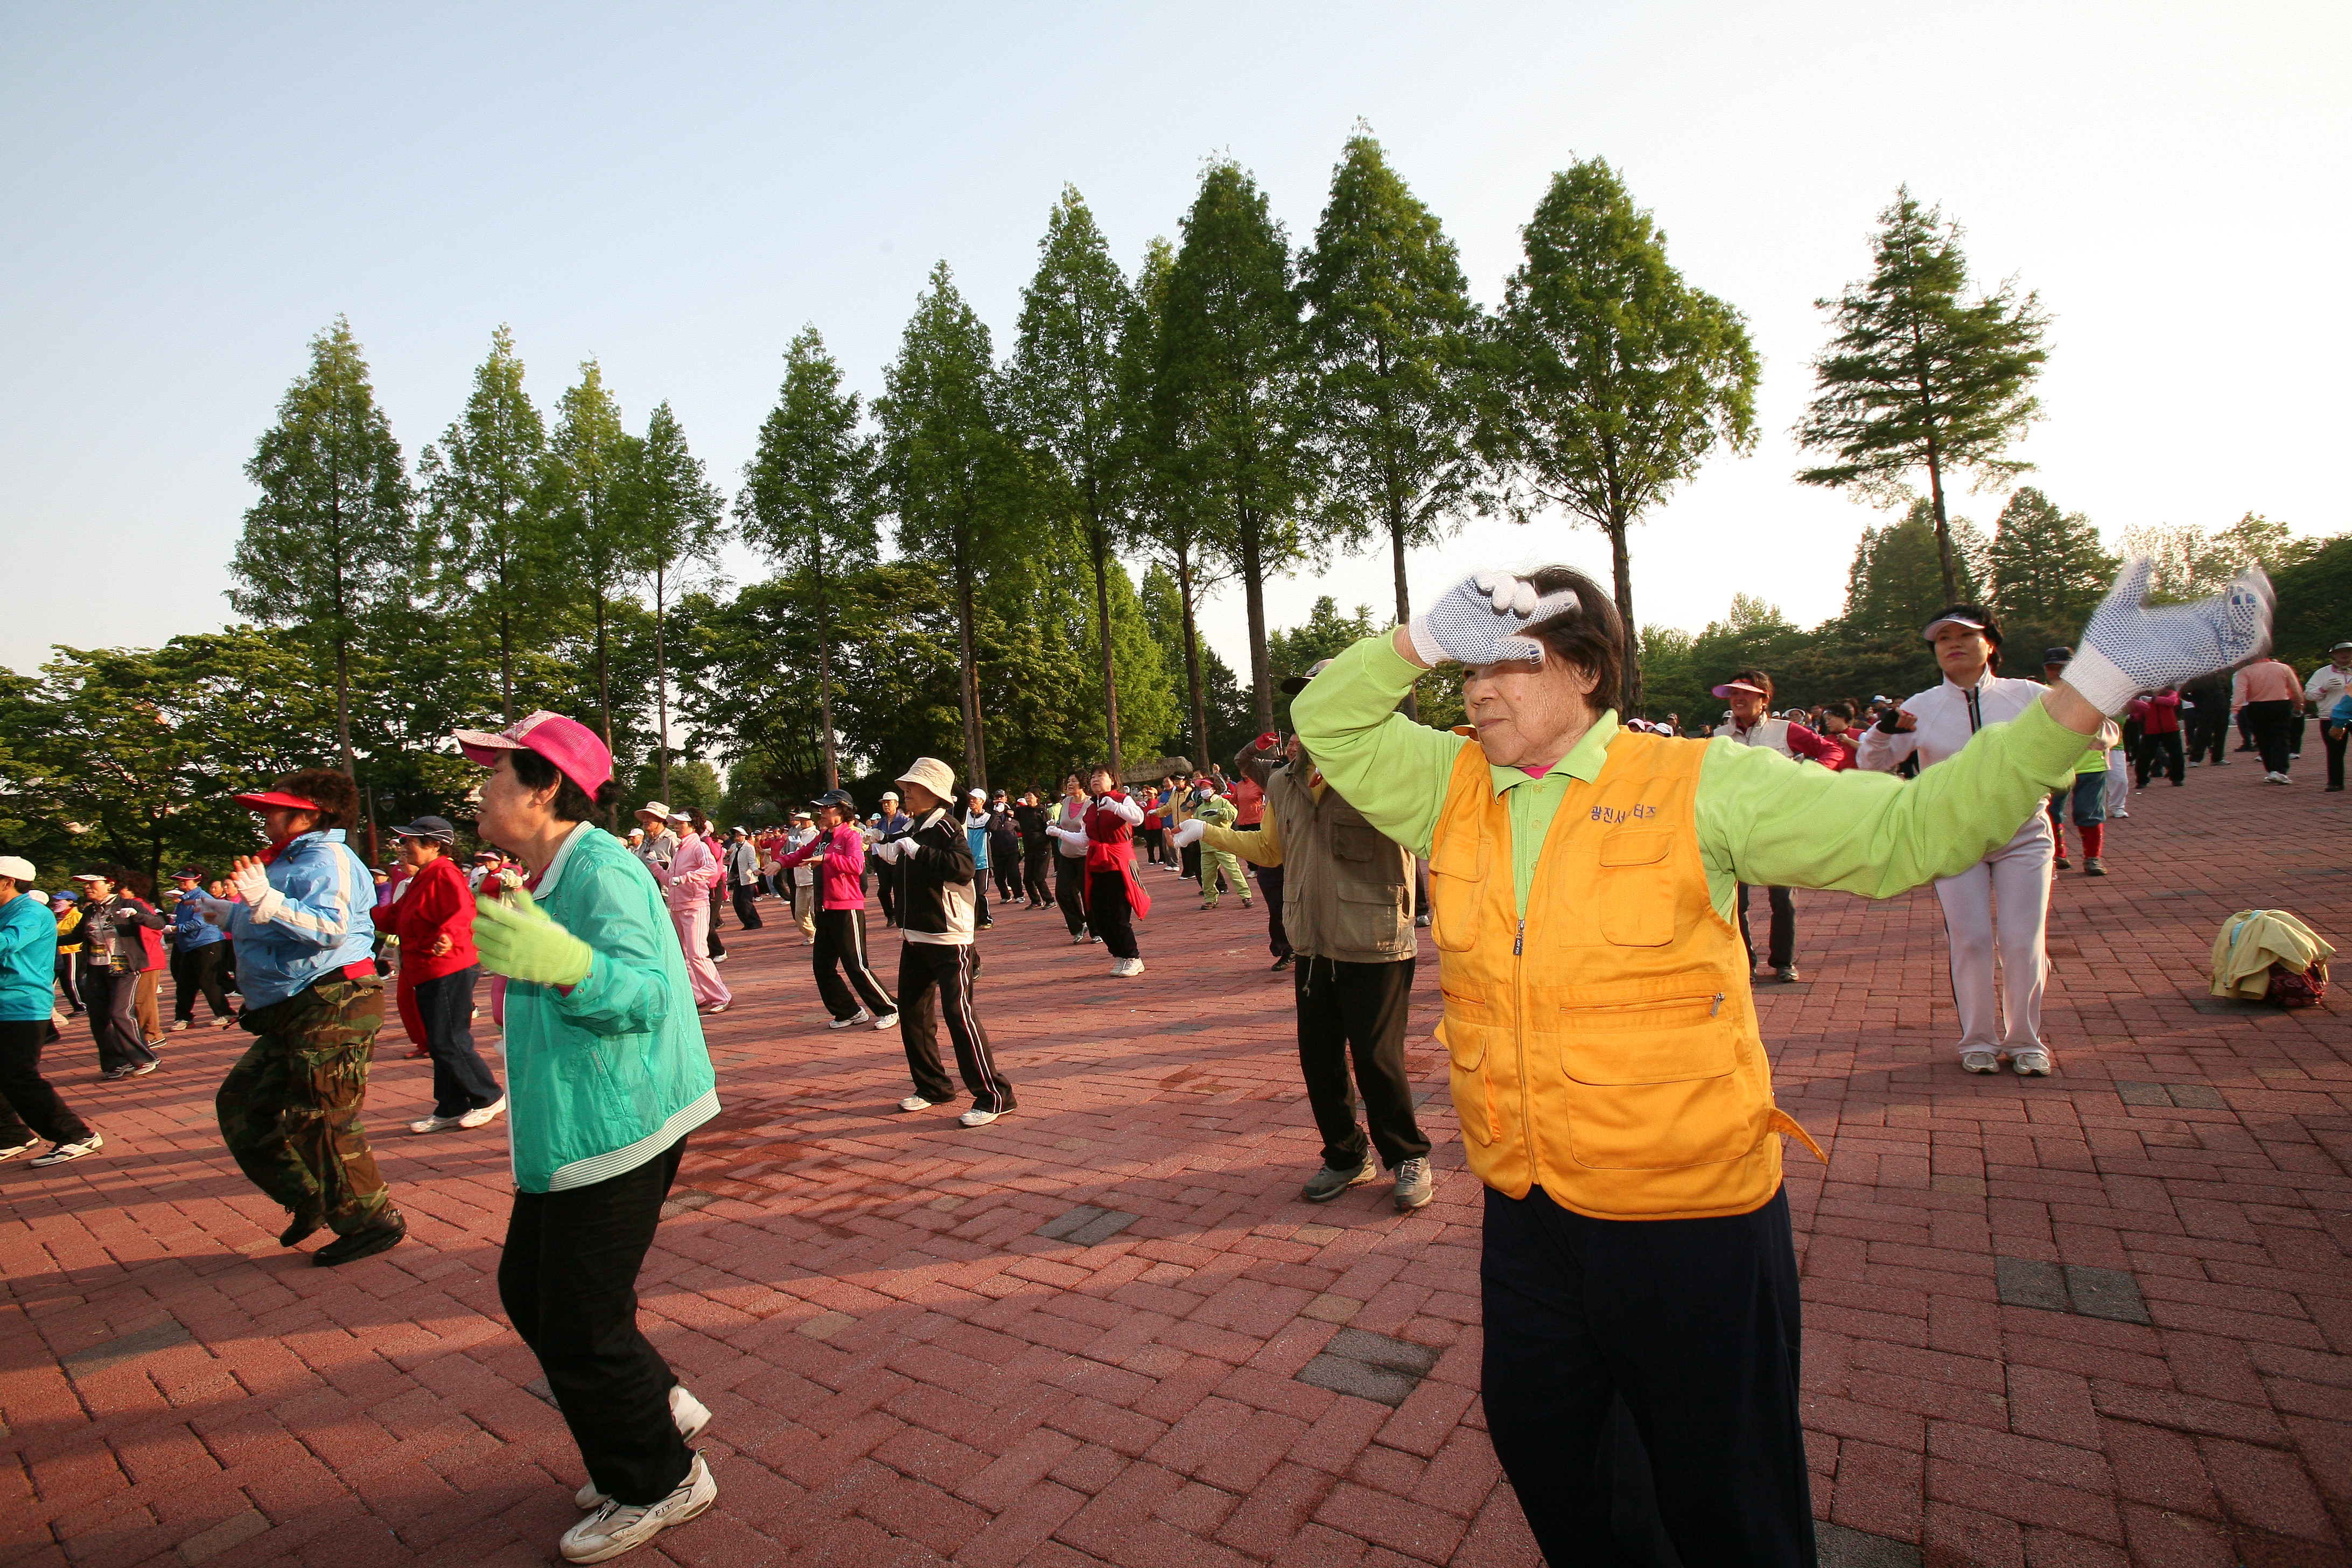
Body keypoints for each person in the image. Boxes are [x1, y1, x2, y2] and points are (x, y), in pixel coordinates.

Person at [1292, 558, 2269, 1568]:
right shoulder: (1449, 787)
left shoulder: (1696, 782)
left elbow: (1911, 828)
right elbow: (1328, 719)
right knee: (1551, 1454)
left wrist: (2093, 688)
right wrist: (1414, 642)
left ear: (1587, 672)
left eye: (1508, 663)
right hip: (1527, 1212)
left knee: (1725, 1497)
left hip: (1689, 1220)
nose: (1479, 689)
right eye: (1465, 671)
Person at [453, 710, 722, 1563]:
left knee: (576, 1320)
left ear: (545, 789)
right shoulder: (546, 873)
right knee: (533, 1293)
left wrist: (564, 963)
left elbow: (645, 993)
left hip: (620, 1121)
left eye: (495, 775)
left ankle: (658, 1479)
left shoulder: (601, 870)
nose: (479, 791)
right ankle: (654, 1405)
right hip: (574, 1122)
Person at [1184, 712, 1432, 1213]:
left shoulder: (1384, 769)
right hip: (1314, 944)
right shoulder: (1284, 780)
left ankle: (1408, 1155)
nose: (1304, 730)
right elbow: (1273, 850)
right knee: (1319, 1061)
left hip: (1374, 939)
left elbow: (1425, 831)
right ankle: (1346, 1155)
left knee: (1377, 1061)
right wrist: (1209, 834)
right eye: (1305, 717)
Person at [195, 770, 405, 1266]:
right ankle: (313, 1194)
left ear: (309, 814)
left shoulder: (326, 858)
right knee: (244, 1106)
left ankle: (371, 1222)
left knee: (322, 1115)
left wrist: (265, 902)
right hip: (296, 1004)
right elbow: (277, 920)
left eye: (274, 809)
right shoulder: (291, 860)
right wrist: (228, 913)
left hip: (333, 999)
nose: (265, 818)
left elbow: (329, 929)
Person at [1859, 605, 2066, 1074]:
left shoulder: (2029, 695)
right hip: (1953, 839)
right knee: (1970, 940)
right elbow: (1872, 764)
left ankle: (2026, 1040)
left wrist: (2079, 730)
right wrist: (1882, 730)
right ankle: (1978, 1039)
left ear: (1989, 643)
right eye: (1942, 639)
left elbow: (2101, 732)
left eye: (1965, 636)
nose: (1953, 644)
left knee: (2022, 939)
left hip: (2024, 835)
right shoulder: (1922, 705)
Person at [869, 758, 1014, 1126]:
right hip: (915, 937)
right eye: (905, 788)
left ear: (933, 793)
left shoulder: (946, 826)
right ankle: (933, 1087)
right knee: (914, 1017)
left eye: (912, 789)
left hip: (950, 938)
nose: (906, 794)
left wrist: (917, 851)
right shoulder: (916, 826)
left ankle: (995, 1095)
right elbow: (901, 856)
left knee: (958, 1014)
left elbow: (963, 868)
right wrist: (881, 844)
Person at [1711, 669, 1842, 984]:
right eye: (1733, 693)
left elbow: (1832, 750)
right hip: (1735, 827)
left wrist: (1809, 776)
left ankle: (1784, 962)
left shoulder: (1786, 730)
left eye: (1746, 692)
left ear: (1764, 699)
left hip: (1779, 825)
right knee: (1735, 902)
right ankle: (1746, 963)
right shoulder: (1718, 737)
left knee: (1782, 900)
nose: (1738, 698)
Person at [376, 816, 505, 1135]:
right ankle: (450, 1106)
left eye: (410, 842)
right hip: (429, 969)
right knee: (440, 1040)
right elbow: (394, 916)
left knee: (449, 1039)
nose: (404, 847)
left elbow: (462, 910)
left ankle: (489, 1096)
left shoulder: (443, 873)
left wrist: (447, 934)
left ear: (434, 845)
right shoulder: (424, 877)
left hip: (449, 966)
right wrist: (358, 915)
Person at [0, 856, 102, 1166]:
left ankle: (76, 1135)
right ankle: (13, 1136)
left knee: (18, 1075)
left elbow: (7, 943)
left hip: (21, 1005)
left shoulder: (31, 912)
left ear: (7, 881)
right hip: (6, 1004)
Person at [776, 789, 899, 1031]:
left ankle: (890, 1008)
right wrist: (779, 862)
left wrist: (826, 859)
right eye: (820, 808)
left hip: (847, 907)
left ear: (842, 811)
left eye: (826, 808)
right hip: (825, 908)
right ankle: (849, 1011)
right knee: (822, 967)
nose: (821, 812)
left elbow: (856, 865)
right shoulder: (824, 836)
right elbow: (803, 853)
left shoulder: (851, 836)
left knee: (856, 965)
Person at [1053, 765, 1149, 977]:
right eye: (1094, 776)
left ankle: (1133, 957)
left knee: (1118, 913)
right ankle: (1119, 956)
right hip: (1096, 863)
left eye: (1101, 776)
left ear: (1112, 780)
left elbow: (1137, 818)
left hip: (1119, 862)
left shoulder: (1122, 799)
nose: (1096, 779)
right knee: (1099, 914)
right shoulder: (1090, 807)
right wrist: (1059, 833)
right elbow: (1085, 840)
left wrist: (1115, 807)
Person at [68, 869, 165, 1079]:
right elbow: (75, 936)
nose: (87, 888)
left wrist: (137, 916)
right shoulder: (91, 910)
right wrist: (46, 937)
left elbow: (159, 923)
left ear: (110, 884)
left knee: (119, 1013)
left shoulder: (128, 904)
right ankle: (115, 1063)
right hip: (97, 969)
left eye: (92, 884)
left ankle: (145, 1057)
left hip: (124, 967)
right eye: (84, 884)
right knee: (98, 1017)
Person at [2040, 651, 2118, 876]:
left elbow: (2110, 729)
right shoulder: (2039, 694)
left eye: (2063, 668)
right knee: (2051, 812)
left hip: (2091, 766)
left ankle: (2093, 858)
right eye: (2052, 668)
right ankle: (2059, 855)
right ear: (2046, 670)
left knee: (2089, 812)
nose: (2058, 673)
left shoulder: (2093, 692)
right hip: (2055, 766)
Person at [650, 811, 730, 1014]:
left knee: (697, 954)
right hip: (679, 906)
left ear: (693, 826)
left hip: (695, 906)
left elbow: (711, 869)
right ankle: (700, 995)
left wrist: (685, 878)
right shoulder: (681, 849)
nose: (676, 825)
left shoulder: (699, 846)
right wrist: (655, 868)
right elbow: (671, 881)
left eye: (681, 823)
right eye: (675, 823)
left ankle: (721, 996)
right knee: (685, 955)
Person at [165, 867, 235, 1030]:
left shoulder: (203, 898)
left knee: (209, 980)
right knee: (185, 983)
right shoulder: (184, 900)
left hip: (207, 943)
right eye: (179, 880)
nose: (181, 882)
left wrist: (176, 929)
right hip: (189, 946)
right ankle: (183, 1017)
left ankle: (226, 1013)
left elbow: (200, 922)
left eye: (185, 880)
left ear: (197, 880)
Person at [2232, 652, 2305, 783]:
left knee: (2262, 738)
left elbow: (2240, 692)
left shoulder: (2245, 671)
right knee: (2281, 737)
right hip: (2280, 704)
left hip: (2256, 706)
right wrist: (2298, 706)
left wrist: (2235, 710)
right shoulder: (2283, 668)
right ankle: (2280, 770)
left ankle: (2271, 769)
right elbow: (2295, 689)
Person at [1049, 775, 1094, 945]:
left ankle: (1096, 930)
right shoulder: (1066, 802)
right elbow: (1064, 824)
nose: (1069, 784)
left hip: (1085, 856)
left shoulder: (1090, 804)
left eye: (1073, 781)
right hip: (1066, 856)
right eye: (1068, 781)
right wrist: (1056, 827)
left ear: (1083, 784)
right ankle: (1079, 925)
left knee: (1087, 894)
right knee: (1062, 893)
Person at [2306, 640, 2351, 792]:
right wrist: (2323, 689)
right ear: (2333, 655)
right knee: (2334, 751)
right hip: (2331, 717)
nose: (2345, 655)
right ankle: (2335, 782)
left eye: (2349, 652)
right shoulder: (2322, 673)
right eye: (2340, 652)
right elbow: (2309, 695)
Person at [2130, 686, 2185, 786]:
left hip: (2170, 728)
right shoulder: (2145, 697)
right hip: (2152, 730)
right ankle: (2142, 780)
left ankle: (2177, 778)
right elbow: (2141, 714)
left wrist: (2152, 700)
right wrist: (2132, 717)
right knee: (2144, 757)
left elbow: (2171, 702)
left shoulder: (2171, 693)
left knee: (2176, 755)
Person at [962, 789, 997, 930]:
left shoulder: (988, 818)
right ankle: (973, 920)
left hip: (983, 862)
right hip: (967, 862)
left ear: (982, 801)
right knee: (968, 893)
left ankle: (986, 918)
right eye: (970, 798)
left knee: (980, 892)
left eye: (975, 799)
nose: (972, 801)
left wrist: (997, 812)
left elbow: (992, 828)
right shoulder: (965, 817)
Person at [873, 792, 911, 925]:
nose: (886, 805)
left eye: (888, 802)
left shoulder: (905, 821)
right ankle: (891, 916)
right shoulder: (881, 823)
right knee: (883, 892)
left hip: (899, 862)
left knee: (899, 891)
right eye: (884, 803)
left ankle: (902, 918)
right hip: (884, 861)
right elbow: (873, 834)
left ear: (896, 804)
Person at [1012, 791, 1053, 911]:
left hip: (1043, 848)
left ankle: (1050, 900)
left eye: (1030, 795)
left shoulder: (1042, 811)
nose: (1028, 798)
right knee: (1027, 879)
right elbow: (1010, 811)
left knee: (1039, 878)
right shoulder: (1022, 811)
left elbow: (1050, 829)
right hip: (1030, 849)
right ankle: (1036, 901)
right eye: (1026, 795)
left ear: (1037, 797)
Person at [986, 792, 1023, 907]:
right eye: (997, 797)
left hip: (1012, 849)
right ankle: (1005, 895)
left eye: (1002, 797)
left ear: (1006, 798)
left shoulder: (1012, 812)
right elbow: (990, 827)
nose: (1000, 799)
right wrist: (996, 812)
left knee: (1014, 873)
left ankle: (1019, 895)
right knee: (999, 876)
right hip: (997, 850)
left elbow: (1021, 827)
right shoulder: (991, 814)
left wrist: (1012, 814)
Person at [724, 827, 764, 930]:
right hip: (738, 878)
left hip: (748, 878)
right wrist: (726, 854)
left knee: (745, 901)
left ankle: (755, 922)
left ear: (743, 835)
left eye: (738, 835)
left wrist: (755, 870)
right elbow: (729, 860)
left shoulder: (748, 847)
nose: (736, 837)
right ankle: (747, 922)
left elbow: (752, 861)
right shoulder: (734, 847)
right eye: (735, 835)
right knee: (737, 902)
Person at [633, 803, 677, 875]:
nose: (645, 821)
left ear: (661, 820)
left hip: (666, 885)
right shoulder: (646, 841)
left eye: (649, 817)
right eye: (644, 818)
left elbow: (681, 865)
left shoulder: (671, 839)